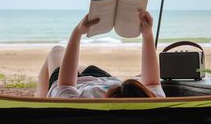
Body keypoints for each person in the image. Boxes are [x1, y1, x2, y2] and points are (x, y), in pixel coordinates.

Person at [34, 10, 165, 98]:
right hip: (103, 80)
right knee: (64, 58)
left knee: (56, 51)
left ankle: (40, 106)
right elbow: (152, 82)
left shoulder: (71, 102)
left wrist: (77, 32)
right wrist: (148, 34)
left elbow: (66, 84)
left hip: (95, 82)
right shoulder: (150, 102)